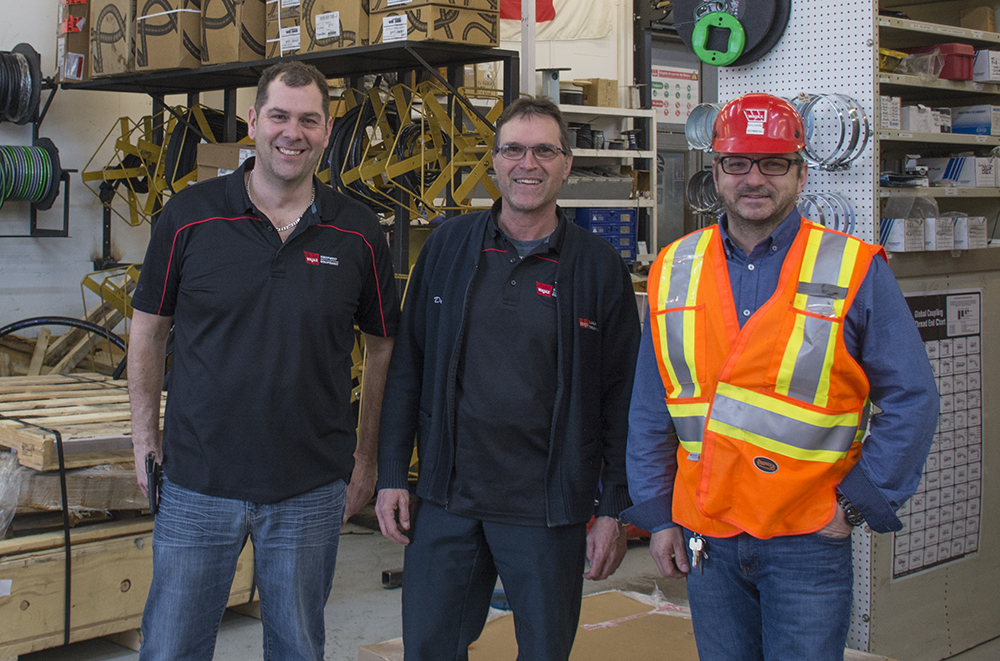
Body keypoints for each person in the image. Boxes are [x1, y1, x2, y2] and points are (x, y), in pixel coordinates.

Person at [623, 93, 938, 660]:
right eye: (738, 163)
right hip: (707, 533)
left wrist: (857, 502)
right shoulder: (674, 266)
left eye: (774, 163)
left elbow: (912, 398)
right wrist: (656, 511)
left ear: (800, 172)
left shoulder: (853, 268)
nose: (754, 179)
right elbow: (652, 404)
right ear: (715, 171)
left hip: (807, 538)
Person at [127, 61, 399, 661]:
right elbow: (146, 330)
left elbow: (383, 346)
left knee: (298, 649)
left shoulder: (357, 233)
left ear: (327, 131)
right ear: (253, 121)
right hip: (199, 480)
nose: (291, 132)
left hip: (309, 485)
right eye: (278, 115)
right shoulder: (189, 217)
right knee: (170, 648)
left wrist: (367, 456)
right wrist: (145, 439)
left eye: (308, 120)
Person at [375, 96, 641, 661]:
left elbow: (622, 398)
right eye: (514, 149)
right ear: (494, 161)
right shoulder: (448, 246)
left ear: (566, 164)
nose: (529, 163)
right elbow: (408, 368)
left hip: (547, 511)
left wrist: (614, 507)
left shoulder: (598, 267)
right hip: (448, 498)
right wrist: (393, 472)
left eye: (545, 150)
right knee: (428, 648)